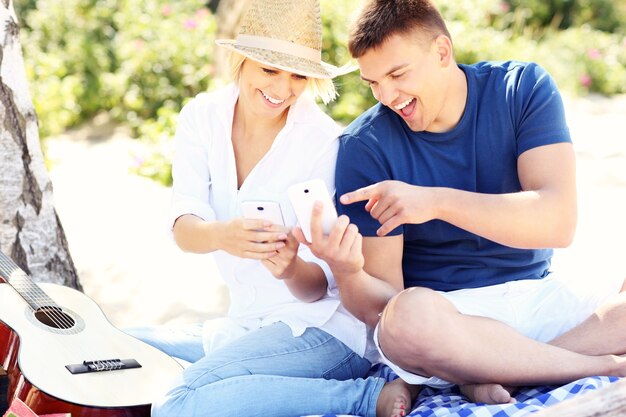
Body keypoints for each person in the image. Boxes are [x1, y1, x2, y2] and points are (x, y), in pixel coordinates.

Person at [296, 0, 626, 409]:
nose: (388, 96)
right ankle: (593, 365)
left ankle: (492, 371)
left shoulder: (521, 89)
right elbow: (384, 301)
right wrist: (348, 271)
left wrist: (436, 202)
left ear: (441, 52)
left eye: (397, 74)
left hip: (538, 296)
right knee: (403, 322)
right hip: (451, 320)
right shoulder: (366, 146)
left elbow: (558, 222)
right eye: (373, 83)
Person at [125, 1, 410, 416]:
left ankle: (365, 398)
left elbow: (325, 287)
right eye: (269, 69)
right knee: (114, 345)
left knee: (177, 403)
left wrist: (292, 267)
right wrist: (224, 235)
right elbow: (183, 226)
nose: (283, 88)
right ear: (241, 60)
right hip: (245, 323)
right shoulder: (201, 119)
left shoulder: (323, 145)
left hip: (325, 331)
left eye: (298, 75)